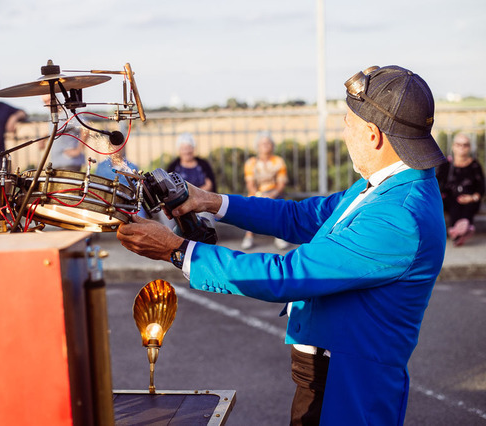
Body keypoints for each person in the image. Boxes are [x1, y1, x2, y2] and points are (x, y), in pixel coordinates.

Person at [117, 65, 447, 425]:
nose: (343, 133)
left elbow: (287, 275)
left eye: (347, 124)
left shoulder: (398, 217)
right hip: (325, 369)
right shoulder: (388, 184)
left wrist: (176, 250)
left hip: (349, 384)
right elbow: (301, 216)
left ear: (373, 135)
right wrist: (210, 201)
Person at [241, 131, 289, 250]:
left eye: (268, 143)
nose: (266, 145)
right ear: (257, 146)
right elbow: (250, 184)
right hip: (257, 193)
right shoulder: (251, 163)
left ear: (272, 145)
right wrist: (259, 195)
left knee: (278, 203)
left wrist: (273, 194)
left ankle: (279, 236)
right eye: (263, 143)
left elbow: (281, 183)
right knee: (251, 203)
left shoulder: (278, 161)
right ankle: (249, 236)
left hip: (274, 192)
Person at [436, 133, 484, 246]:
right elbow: (438, 183)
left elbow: (481, 186)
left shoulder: (475, 165)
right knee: (454, 202)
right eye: (459, 144)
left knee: (468, 204)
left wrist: (472, 197)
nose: (462, 147)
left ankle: (457, 231)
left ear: (469, 147)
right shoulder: (446, 165)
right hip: (450, 199)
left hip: (471, 199)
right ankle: (463, 228)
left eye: (465, 145)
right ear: (453, 146)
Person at [41, 94, 87, 172]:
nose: (49, 103)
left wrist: (78, 150)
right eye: (45, 101)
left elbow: (85, 128)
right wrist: (43, 139)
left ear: (57, 99)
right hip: (56, 163)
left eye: (50, 100)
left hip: (69, 162)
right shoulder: (53, 115)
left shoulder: (69, 112)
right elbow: (56, 131)